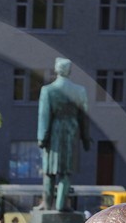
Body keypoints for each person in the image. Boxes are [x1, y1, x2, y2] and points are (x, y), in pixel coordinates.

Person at [38, 58, 91, 211]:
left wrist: (42, 137)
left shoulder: (48, 90)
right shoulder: (79, 91)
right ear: (69, 71)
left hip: (54, 133)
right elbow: (84, 118)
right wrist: (86, 139)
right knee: (66, 172)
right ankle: (61, 205)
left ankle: (47, 204)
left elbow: (44, 116)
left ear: (56, 69)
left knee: (49, 171)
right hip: (71, 133)